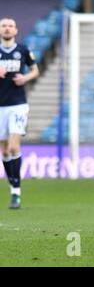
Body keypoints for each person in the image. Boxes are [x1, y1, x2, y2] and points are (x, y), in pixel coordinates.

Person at [0, 18, 40, 209]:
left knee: (14, 148)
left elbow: (35, 70)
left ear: (15, 30)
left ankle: (16, 190)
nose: (7, 28)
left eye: (10, 26)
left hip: (18, 104)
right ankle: (13, 186)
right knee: (5, 151)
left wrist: (24, 78)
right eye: (4, 26)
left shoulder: (22, 50)